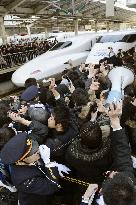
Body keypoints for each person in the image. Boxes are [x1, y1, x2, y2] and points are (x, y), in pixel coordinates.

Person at [81, 101, 136, 205]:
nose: (113, 174)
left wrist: (85, 200)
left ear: (102, 193)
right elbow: (123, 156)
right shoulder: (129, 180)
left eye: (112, 178)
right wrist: (115, 122)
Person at [0, 132, 70, 205]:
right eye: (33, 152)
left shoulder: (32, 157)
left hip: (44, 192)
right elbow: (51, 187)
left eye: (34, 146)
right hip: (36, 200)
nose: (37, 151)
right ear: (21, 161)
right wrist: (49, 164)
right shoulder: (23, 179)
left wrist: (54, 165)